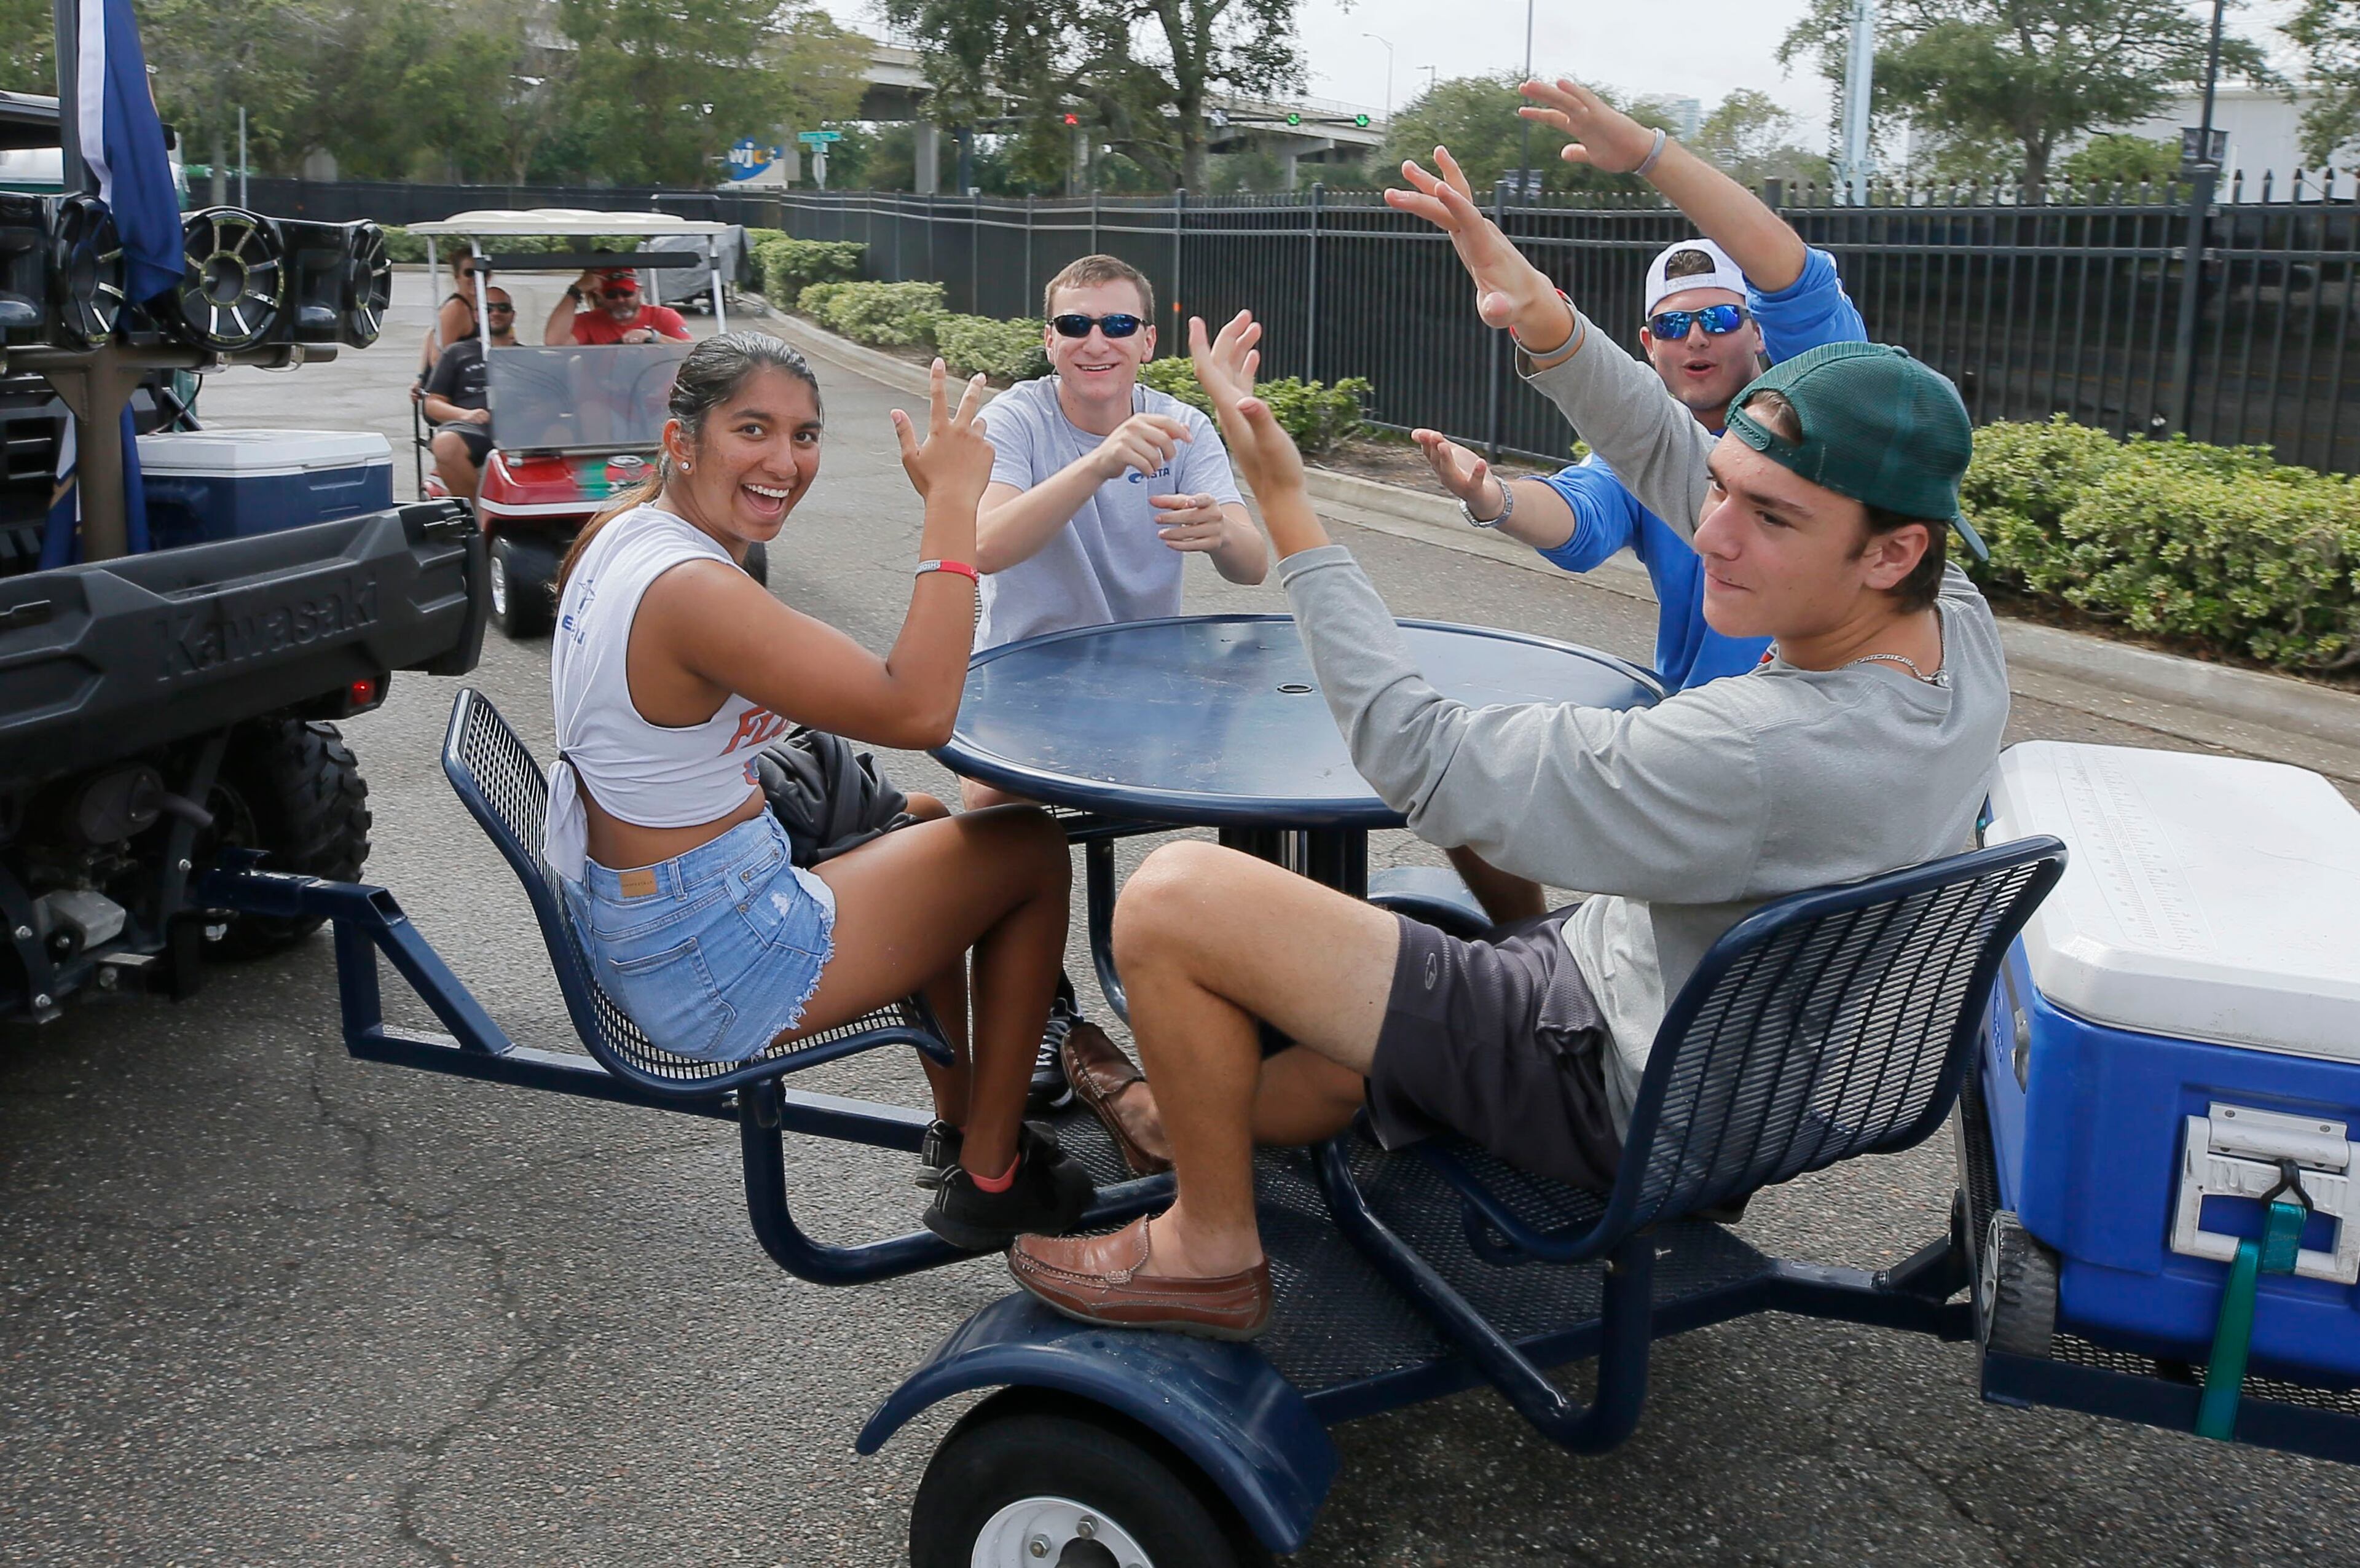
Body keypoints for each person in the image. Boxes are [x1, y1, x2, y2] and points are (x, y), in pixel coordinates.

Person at [1005, 294, 2005, 1339]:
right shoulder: (1958, 629)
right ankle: (1169, 1120)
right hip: (1730, 1060)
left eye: (1771, 517)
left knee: (1178, 897)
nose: (1711, 532)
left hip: (1611, 1084)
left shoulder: (1757, 748)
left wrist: (1285, 500)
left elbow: (1418, 753)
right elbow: (1671, 449)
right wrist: (1540, 313)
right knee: (1460, 855)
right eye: (1722, 490)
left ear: (1890, 551)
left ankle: (1207, 1247)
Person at [545, 332, 1094, 1249]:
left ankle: (960, 1122)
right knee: (1027, 847)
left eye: (804, 435)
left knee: (920, 818)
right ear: (684, 439)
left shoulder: (629, 528)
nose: (784, 460)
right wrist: (953, 504)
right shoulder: (692, 589)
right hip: (705, 961)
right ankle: (995, 1174)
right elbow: (919, 707)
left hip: (660, 914)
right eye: (752, 429)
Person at [1406, 79, 1870, 923]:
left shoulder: (1824, 431)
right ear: (1648, 343)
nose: (1699, 339)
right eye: (1676, 325)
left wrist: (1652, 155)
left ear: (1758, 328)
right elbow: (1580, 523)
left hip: (1788, 774)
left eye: (1722, 317)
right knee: (1460, 769)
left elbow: (1795, 282)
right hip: (1706, 746)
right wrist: (1493, 497)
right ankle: (1534, 955)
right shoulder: (1643, 456)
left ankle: (1544, 989)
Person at [964, 253, 1270, 1117]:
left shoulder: (1180, 426)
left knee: (1263, 796)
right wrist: (1096, 466)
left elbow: (1252, 567)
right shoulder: (1016, 419)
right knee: (986, 814)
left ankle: (1253, 995)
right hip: (1028, 672)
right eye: (1075, 326)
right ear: (1049, 340)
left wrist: (1220, 532)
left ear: (1146, 341)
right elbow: (985, 543)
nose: (1095, 342)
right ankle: (1038, 1015)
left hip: (1151, 677)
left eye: (1116, 326)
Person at [420, 285, 516, 504]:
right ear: (476, 315)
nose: (496, 313)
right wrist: (466, 415)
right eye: (488, 308)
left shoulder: (525, 355)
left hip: (519, 429)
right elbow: (432, 404)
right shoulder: (457, 352)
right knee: (445, 443)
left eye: (503, 308)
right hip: (473, 429)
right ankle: (479, 516)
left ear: (513, 314)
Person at [545, 267, 694, 347]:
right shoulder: (589, 321)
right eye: (611, 295)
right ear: (599, 295)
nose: (620, 300)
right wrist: (575, 291)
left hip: (655, 395)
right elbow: (554, 343)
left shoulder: (664, 316)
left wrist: (654, 336)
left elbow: (690, 351)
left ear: (638, 291)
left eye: (626, 293)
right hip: (605, 396)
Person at [416, 252, 491, 388]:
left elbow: (429, 335)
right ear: (457, 277)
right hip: (450, 391)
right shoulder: (457, 309)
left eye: (482, 272)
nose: (476, 278)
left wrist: (419, 377)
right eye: (469, 273)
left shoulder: (480, 307)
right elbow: (437, 359)